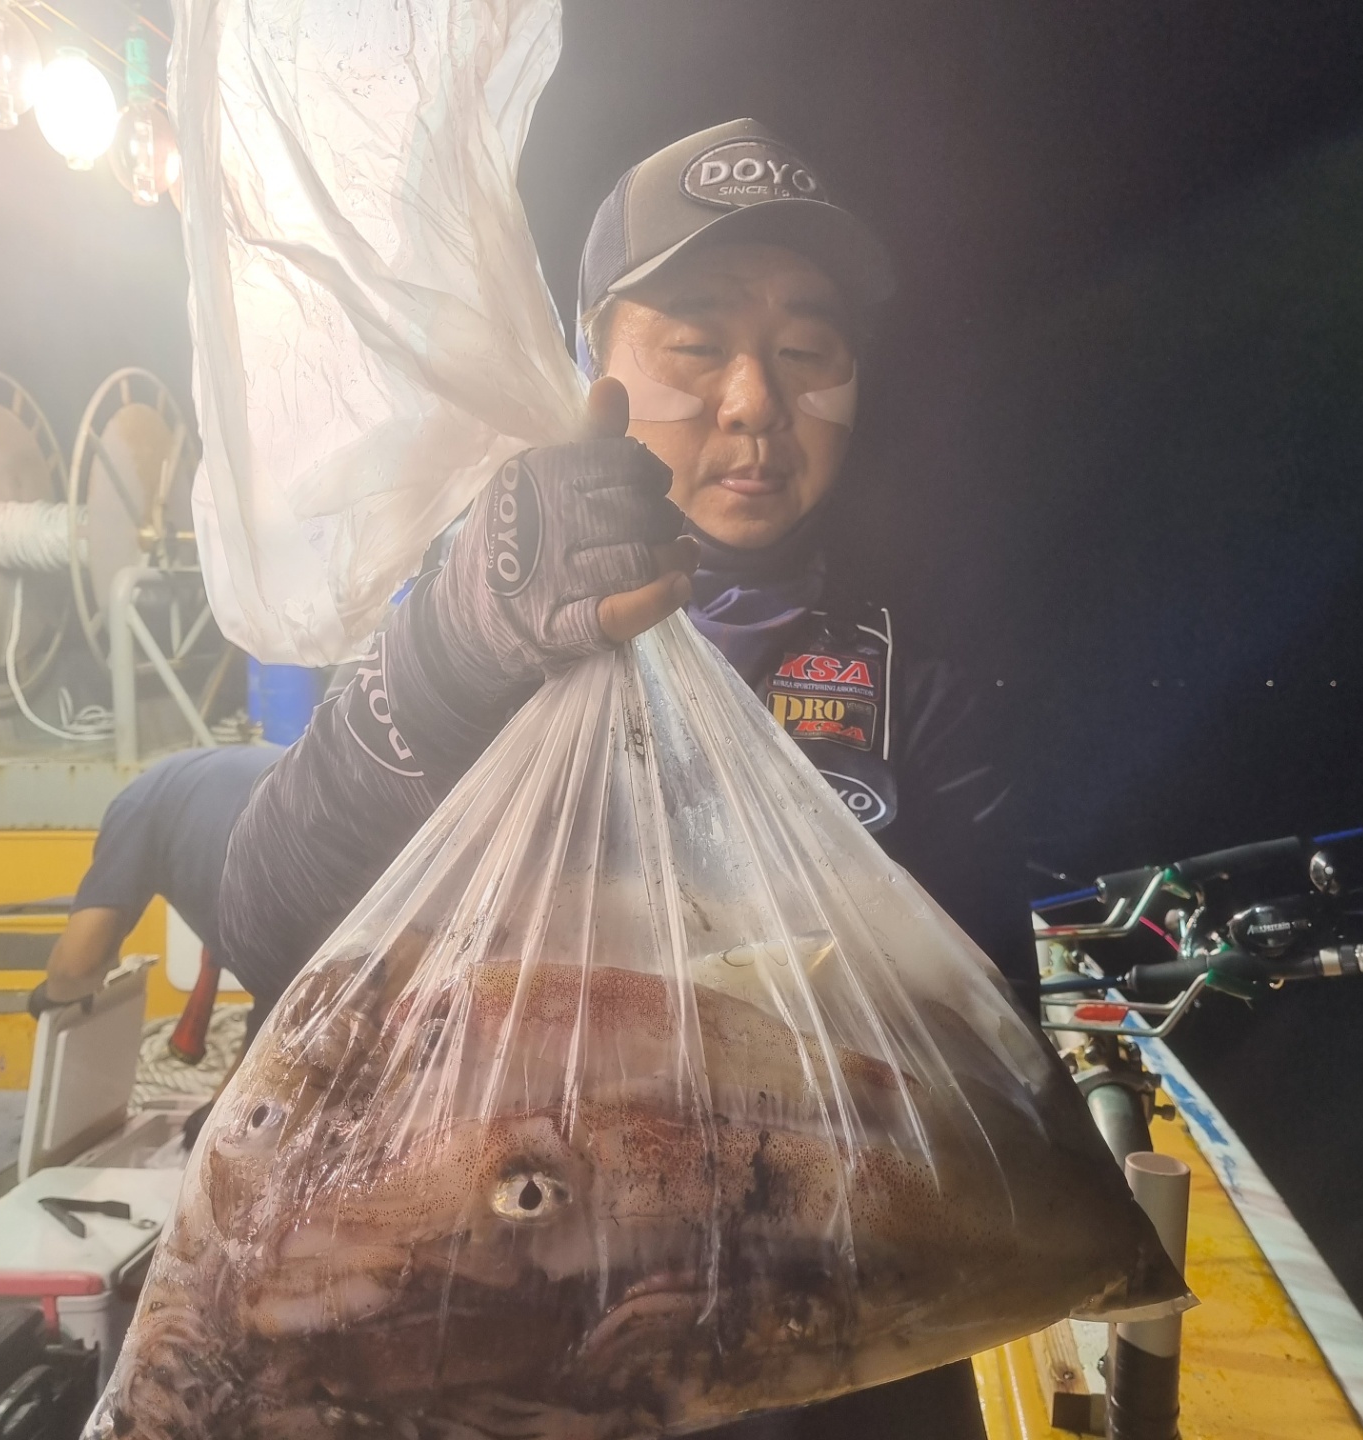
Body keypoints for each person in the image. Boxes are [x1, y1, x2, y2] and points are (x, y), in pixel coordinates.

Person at [215, 116, 1035, 1439]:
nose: (755, 402)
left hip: (800, 1368)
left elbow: (992, 1082)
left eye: (808, 352)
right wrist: (445, 659)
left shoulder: (914, 688)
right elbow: (265, 926)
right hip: (492, 1346)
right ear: (593, 357)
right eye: (697, 343)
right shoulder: (489, 625)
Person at [29, 743, 282, 1040]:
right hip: (319, 884)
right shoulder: (201, 787)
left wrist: (47, 998)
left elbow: (77, 966)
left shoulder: (137, 808)